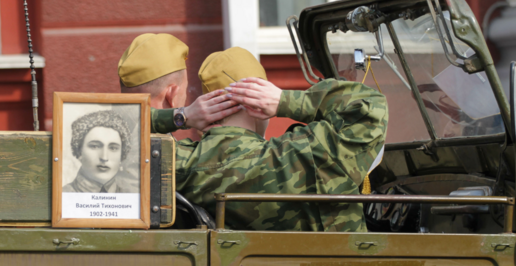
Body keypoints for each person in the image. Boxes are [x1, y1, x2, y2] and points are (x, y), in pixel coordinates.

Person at [150, 47, 388, 232]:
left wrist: (181, 117)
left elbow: (127, 130)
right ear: (260, 99)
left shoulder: (176, 161)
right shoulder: (310, 152)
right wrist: (286, 101)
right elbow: (371, 107)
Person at [117, 33, 240, 130]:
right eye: (185, 90)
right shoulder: (186, 153)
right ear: (172, 94)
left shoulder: (108, 130)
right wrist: (182, 116)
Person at [63, 110, 135, 194]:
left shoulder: (133, 196)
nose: (104, 157)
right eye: (94, 146)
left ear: (121, 155)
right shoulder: (62, 195)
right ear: (79, 152)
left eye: (113, 148)